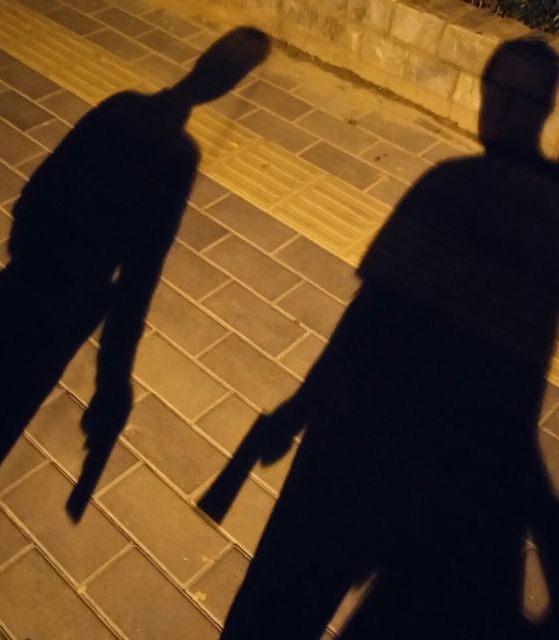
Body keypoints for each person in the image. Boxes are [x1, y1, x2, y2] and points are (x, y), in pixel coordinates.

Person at [217, 38, 559, 639]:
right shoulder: (528, 207)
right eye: (495, 92)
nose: (499, 109)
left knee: (276, 607)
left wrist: (299, 412)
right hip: (431, 463)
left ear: (539, 109)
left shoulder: (450, 186)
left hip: (372, 441)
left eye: (515, 97)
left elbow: (368, 317)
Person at [0, 26, 270, 562]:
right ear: (229, 85)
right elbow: (137, 281)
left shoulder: (119, 108)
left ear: (201, 61)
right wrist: (113, 380)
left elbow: (34, 194)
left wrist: (30, 255)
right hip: (57, 322)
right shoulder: (178, 158)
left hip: (14, 289)